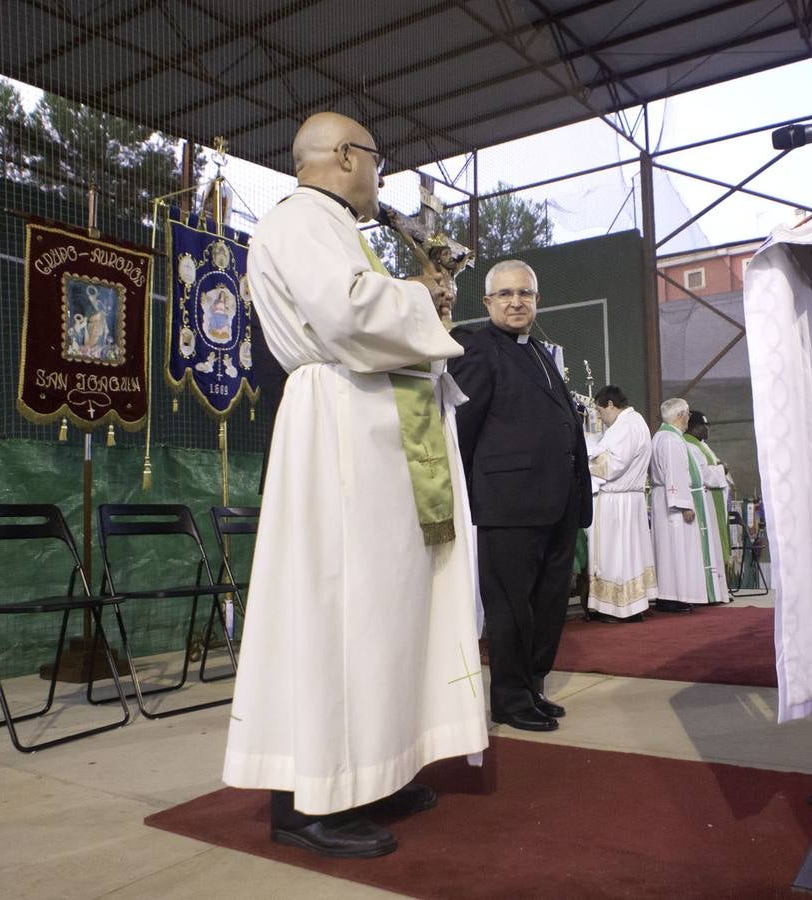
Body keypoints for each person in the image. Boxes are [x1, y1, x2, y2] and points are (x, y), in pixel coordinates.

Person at [222, 111, 487, 859]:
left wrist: (418, 302)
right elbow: (348, 314)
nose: (380, 175)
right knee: (335, 609)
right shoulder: (302, 219)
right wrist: (417, 294)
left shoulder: (336, 225)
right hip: (338, 426)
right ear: (345, 155)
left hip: (375, 430)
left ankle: (373, 769)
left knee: (384, 610)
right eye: (375, 160)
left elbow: (366, 312)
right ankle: (309, 798)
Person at [449, 259, 592, 733]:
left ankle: (532, 685)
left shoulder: (539, 353)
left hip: (557, 502)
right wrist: (470, 495)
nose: (516, 302)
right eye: (505, 294)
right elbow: (462, 428)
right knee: (510, 606)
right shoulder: (476, 346)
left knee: (549, 603)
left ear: (537, 300)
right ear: (487, 302)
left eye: (525, 294)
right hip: (508, 503)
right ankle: (508, 699)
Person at [648, 398, 729, 612]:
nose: (688, 420)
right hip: (673, 504)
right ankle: (672, 597)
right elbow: (675, 474)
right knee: (676, 550)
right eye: (686, 414)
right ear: (680, 415)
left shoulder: (665, 436)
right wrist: (684, 505)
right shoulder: (671, 440)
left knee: (671, 550)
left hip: (665, 499)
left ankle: (673, 595)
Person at [585, 385, 656, 622]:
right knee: (629, 553)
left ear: (611, 405)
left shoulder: (625, 426)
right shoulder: (637, 422)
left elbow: (612, 464)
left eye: (600, 410)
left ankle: (619, 608)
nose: (600, 417)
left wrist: (587, 459)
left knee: (615, 554)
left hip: (617, 501)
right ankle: (631, 606)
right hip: (629, 498)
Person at [685, 410, 733, 586]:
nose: (707, 429)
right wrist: (723, 469)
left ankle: (720, 586)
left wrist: (720, 467)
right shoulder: (690, 446)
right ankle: (712, 587)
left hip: (714, 500)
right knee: (711, 543)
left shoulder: (700, 445)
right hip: (706, 502)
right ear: (696, 427)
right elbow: (703, 474)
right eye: (705, 425)